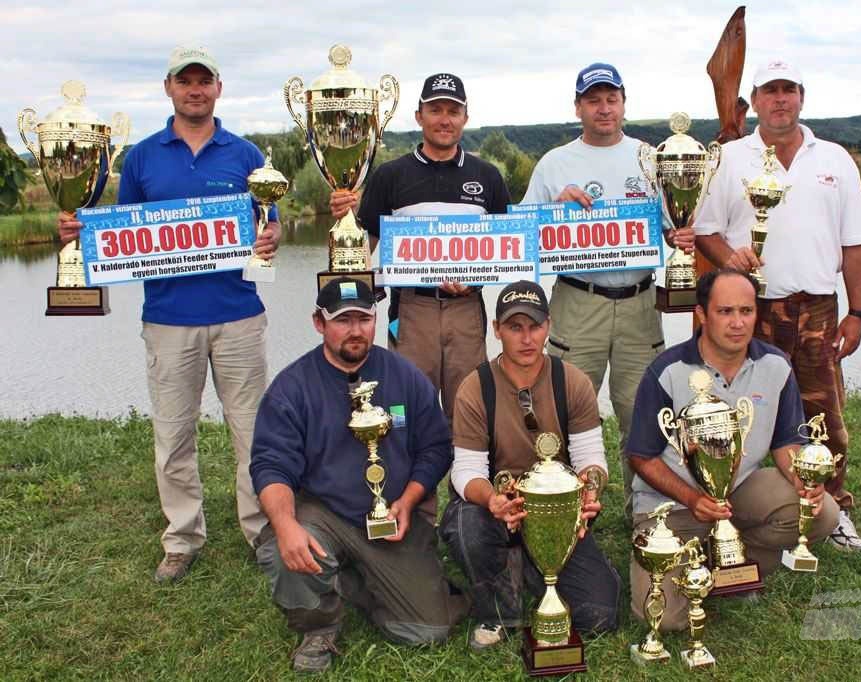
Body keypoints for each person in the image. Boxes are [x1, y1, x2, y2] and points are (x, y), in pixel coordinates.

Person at [56, 45, 281, 582]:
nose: (196, 90)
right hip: (167, 317)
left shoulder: (247, 154)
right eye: (186, 82)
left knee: (252, 433)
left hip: (239, 315)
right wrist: (81, 235)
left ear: (218, 89)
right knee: (173, 435)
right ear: (169, 88)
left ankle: (263, 533)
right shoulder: (141, 157)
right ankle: (182, 538)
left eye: (205, 81)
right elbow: (124, 230)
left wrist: (273, 235)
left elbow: (269, 225)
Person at [693, 59, 861, 551]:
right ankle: (727, 508)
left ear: (801, 97)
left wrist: (858, 312)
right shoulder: (730, 158)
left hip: (817, 307)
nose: (780, 100)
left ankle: (830, 510)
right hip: (748, 311)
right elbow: (704, 229)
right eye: (770, 91)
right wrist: (731, 257)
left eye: (788, 90)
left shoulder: (834, 159)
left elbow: (855, 243)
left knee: (822, 416)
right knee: (736, 413)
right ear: (754, 100)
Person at [249, 278, 467, 673]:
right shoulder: (291, 388)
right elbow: (270, 464)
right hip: (325, 514)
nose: (355, 330)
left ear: (375, 319)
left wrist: (409, 500)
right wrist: (284, 524)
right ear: (319, 323)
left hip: (393, 519)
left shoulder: (404, 375)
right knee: (283, 549)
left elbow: (437, 447)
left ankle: (354, 581)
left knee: (427, 629)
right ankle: (319, 626)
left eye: (364, 319)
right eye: (342, 319)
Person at [520, 62, 696, 517]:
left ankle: (646, 512)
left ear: (623, 103)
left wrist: (679, 234)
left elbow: (671, 224)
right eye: (593, 100)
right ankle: (558, 507)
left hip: (639, 301)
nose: (603, 108)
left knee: (643, 410)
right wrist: (553, 214)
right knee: (562, 409)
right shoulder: (555, 163)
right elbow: (521, 238)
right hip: (578, 301)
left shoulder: (651, 157)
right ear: (578, 107)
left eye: (611, 98)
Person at [626, 269, 839, 629]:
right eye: (725, 312)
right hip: (673, 507)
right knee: (662, 619)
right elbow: (641, 456)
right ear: (702, 314)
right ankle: (706, 563)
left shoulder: (776, 366)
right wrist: (693, 501)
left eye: (746, 311)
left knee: (822, 513)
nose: (738, 323)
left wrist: (803, 481)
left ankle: (733, 560)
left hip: (738, 492)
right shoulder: (667, 371)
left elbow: (787, 441)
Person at [440, 280, 620, 650]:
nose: (526, 338)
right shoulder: (476, 387)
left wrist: (590, 488)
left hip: (557, 512)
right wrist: (491, 499)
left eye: (534, 326)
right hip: (497, 510)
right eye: (514, 327)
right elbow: (465, 471)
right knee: (465, 524)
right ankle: (498, 611)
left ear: (549, 326)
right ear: (496, 329)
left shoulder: (572, 381)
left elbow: (591, 458)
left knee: (599, 615)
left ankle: (533, 572)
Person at [329, 73, 512, 422]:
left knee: (470, 414)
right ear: (419, 116)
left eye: (453, 111)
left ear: (465, 118)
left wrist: (475, 281)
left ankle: (466, 479)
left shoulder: (487, 175)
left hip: (466, 311)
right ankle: (409, 478)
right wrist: (344, 276)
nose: (445, 119)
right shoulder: (390, 175)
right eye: (435, 110)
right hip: (411, 311)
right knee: (405, 414)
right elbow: (364, 244)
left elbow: (507, 248)